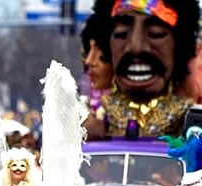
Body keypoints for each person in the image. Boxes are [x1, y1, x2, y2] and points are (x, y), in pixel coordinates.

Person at [84, 0, 200, 140]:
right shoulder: (93, 116)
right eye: (121, 34)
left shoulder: (191, 120)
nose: (136, 47)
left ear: (179, 46)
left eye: (155, 33)